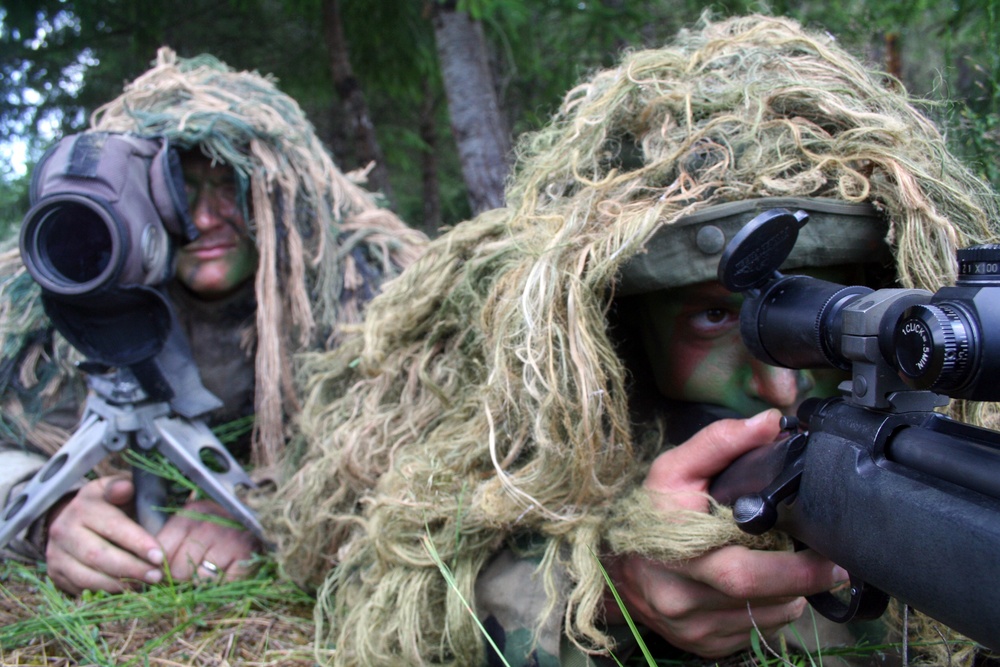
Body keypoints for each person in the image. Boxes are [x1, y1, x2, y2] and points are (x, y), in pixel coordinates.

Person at [261, 14, 997, 667]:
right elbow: (369, 569)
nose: (780, 386)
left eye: (845, 310)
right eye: (715, 318)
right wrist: (611, 586)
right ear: (618, 330)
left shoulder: (953, 431)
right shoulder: (528, 394)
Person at [0, 48, 426, 595]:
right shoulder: (60, 297)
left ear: (278, 193)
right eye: (177, 189)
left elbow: (418, 447)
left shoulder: (358, 292)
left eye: (229, 185)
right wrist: (48, 512)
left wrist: (267, 507)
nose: (202, 219)